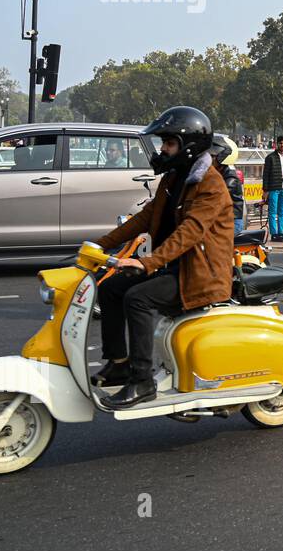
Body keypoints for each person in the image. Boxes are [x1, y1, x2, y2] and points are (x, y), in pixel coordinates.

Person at [89, 107, 234, 408]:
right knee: (110, 288)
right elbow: (146, 217)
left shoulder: (211, 185)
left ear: (188, 145)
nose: (162, 150)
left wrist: (145, 262)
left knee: (137, 298)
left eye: (168, 143)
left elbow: (191, 232)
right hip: (175, 266)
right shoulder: (175, 177)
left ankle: (142, 381)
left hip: (199, 274)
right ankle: (119, 362)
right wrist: (100, 245)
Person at [213, 133, 246, 232]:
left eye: (213, 156)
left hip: (232, 222)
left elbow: (218, 195)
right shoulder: (218, 173)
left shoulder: (231, 178)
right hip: (222, 220)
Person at [263, 135, 283, 241]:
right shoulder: (270, 157)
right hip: (273, 188)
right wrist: (265, 190)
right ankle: (274, 234)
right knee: (272, 212)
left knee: (282, 212)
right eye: (280, 143)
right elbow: (265, 175)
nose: (282, 145)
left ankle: (281, 233)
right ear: (277, 144)